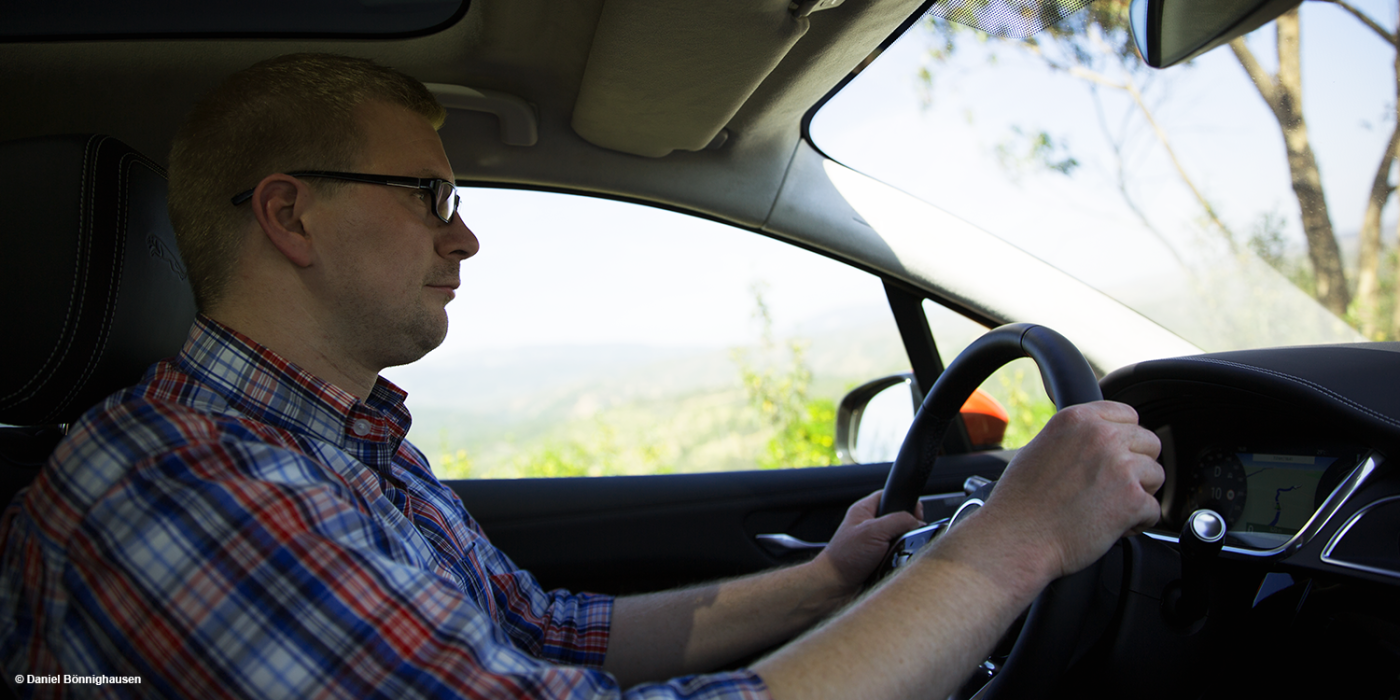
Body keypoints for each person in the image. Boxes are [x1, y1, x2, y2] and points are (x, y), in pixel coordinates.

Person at [0, 53, 1163, 699]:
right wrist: (1005, 548)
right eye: (432, 198)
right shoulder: (183, 487)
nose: (463, 238)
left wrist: (826, 581)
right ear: (291, 214)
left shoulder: (330, 445)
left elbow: (535, 627)